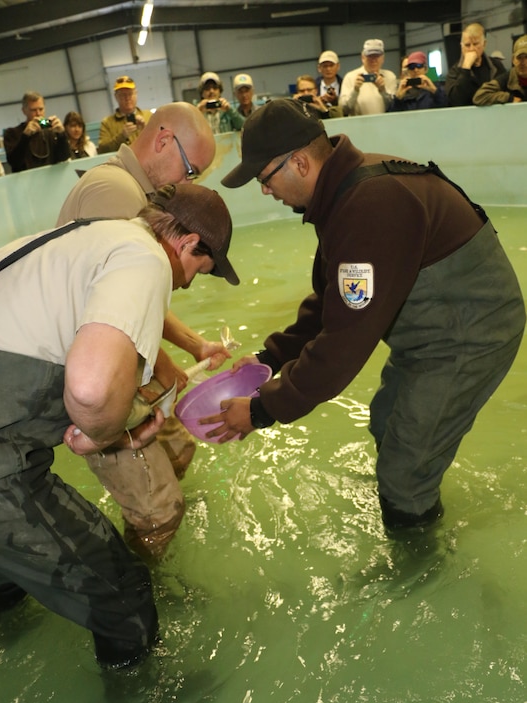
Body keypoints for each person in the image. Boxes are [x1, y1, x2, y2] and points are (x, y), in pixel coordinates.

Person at [205, 99, 525, 531]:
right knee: (387, 422)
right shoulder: (346, 194)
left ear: (299, 162)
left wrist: (263, 410)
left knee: (403, 473)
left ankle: (417, 568)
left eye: (265, 178)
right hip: (430, 327)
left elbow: (343, 345)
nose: (265, 191)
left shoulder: (370, 204)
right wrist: (270, 359)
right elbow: (335, 299)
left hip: (470, 334)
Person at [0, 183, 238, 669]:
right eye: (202, 268)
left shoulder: (98, 235)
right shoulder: (145, 260)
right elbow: (92, 389)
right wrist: (105, 433)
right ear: (187, 244)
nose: (192, 281)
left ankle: (4, 626)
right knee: (124, 595)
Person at [57, 102, 232, 558]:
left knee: (178, 449)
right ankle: (144, 583)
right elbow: (110, 309)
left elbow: (137, 300)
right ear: (162, 140)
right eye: (191, 170)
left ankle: (152, 532)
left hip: (120, 358)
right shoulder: (116, 194)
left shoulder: (132, 192)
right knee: (160, 512)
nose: (188, 184)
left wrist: (195, 347)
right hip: (97, 370)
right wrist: (171, 368)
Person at [3, 91, 70, 172]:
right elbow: (14, 162)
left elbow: (64, 157)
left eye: (41, 109)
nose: (38, 114)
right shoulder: (12, 133)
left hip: (51, 179)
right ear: (24, 111)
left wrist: (61, 135)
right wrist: (25, 136)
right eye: (33, 110)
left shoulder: (51, 131)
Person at [445, 22, 506, 107]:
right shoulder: (454, 71)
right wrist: (465, 68)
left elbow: (506, 92)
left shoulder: (496, 67)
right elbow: (456, 101)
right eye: (467, 45)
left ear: (484, 44)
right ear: (461, 46)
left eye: (475, 44)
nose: (472, 49)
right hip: (466, 118)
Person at [339, 39, 397, 116]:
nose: (373, 60)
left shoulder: (390, 77)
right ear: (363, 58)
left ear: (383, 58)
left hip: (384, 124)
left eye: (377, 56)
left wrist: (383, 91)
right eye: (370, 56)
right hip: (358, 126)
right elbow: (344, 109)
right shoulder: (350, 77)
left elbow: (394, 107)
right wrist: (355, 90)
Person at [98, 76, 151, 154]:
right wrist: (122, 136)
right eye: (123, 95)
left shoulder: (149, 116)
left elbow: (163, 140)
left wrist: (146, 129)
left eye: (130, 94)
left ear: (136, 94)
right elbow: (102, 149)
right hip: (121, 165)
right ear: (116, 97)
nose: (127, 98)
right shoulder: (107, 123)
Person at [473, 35, 527, 105]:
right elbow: (479, 97)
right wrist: (509, 98)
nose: (523, 62)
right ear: (513, 59)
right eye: (519, 57)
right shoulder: (506, 79)